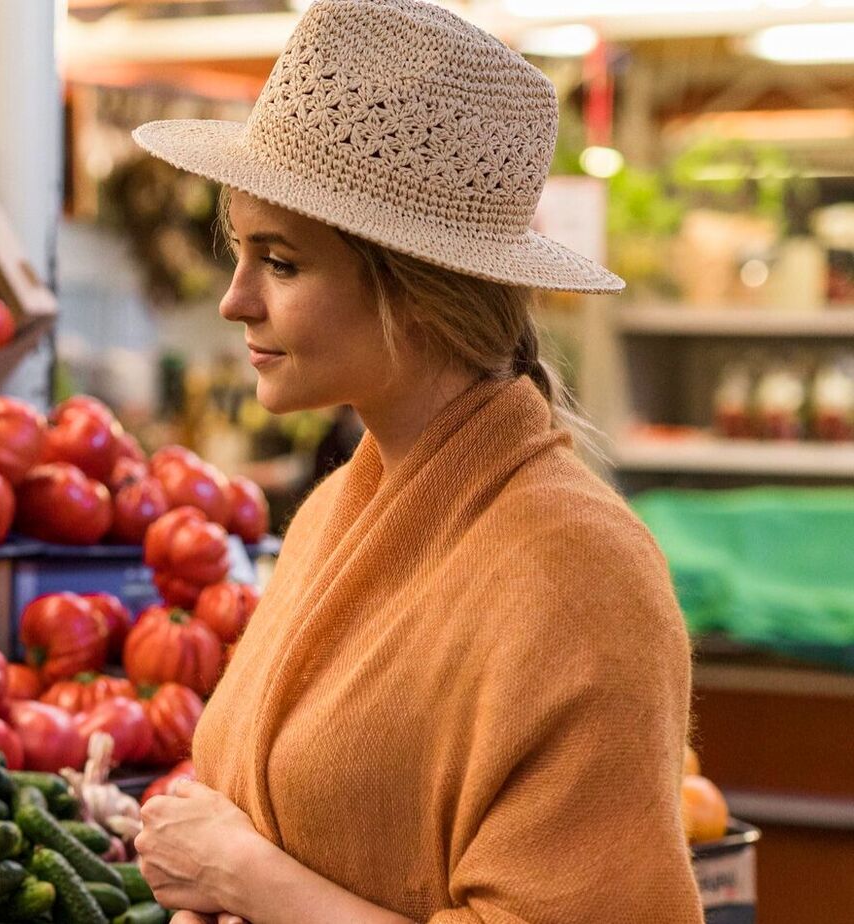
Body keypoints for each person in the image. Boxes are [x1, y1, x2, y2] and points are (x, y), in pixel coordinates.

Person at [127, 1, 703, 922]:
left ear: (418, 295)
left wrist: (249, 880)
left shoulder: (583, 573)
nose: (235, 302)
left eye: (279, 262)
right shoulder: (332, 516)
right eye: (241, 253)